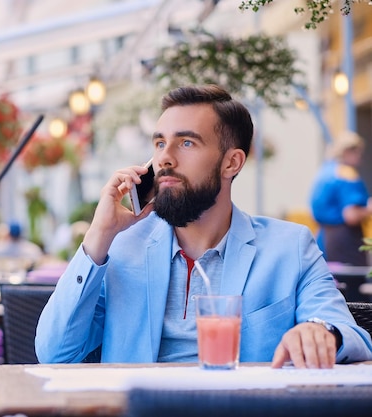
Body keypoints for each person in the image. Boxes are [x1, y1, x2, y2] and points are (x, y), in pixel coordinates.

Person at [35, 84, 372, 369]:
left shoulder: (289, 247)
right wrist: (99, 235)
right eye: (159, 144)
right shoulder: (121, 248)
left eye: (186, 143)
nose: (165, 157)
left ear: (232, 162)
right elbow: (55, 353)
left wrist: (322, 332)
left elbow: (349, 333)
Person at [310, 131, 372, 266]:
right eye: (358, 152)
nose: (361, 157)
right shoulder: (346, 173)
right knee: (351, 282)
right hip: (345, 241)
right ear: (347, 152)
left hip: (324, 237)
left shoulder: (325, 171)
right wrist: (368, 209)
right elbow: (351, 215)